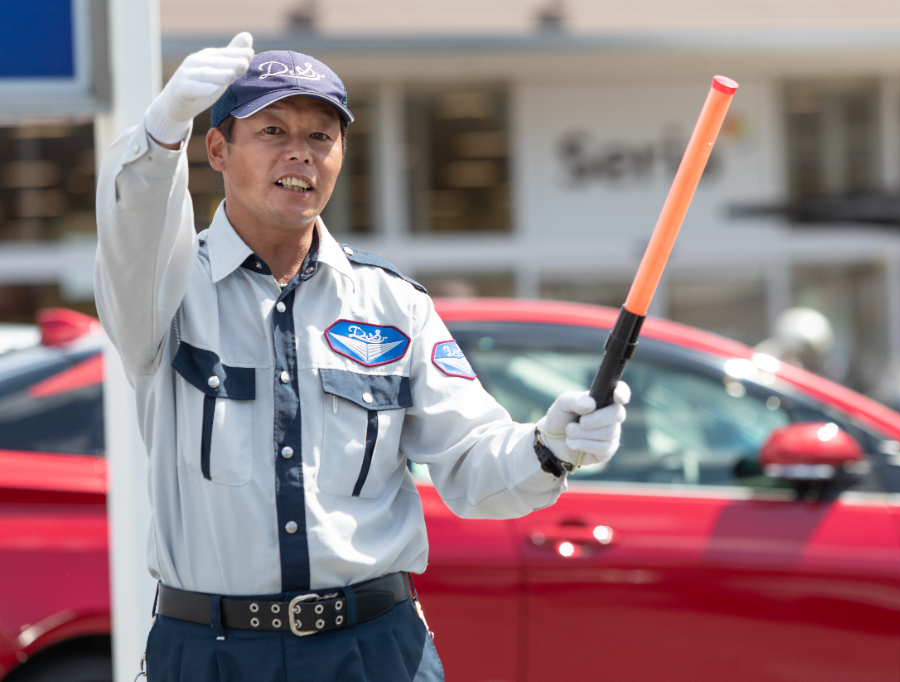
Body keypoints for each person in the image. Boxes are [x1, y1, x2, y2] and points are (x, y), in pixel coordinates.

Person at [94, 33, 629, 682]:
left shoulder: (392, 304)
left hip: (373, 652)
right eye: (272, 129)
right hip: (212, 654)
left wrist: (550, 445)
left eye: (322, 136)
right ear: (217, 149)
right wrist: (161, 132)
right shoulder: (165, 295)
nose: (301, 152)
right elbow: (131, 234)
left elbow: (469, 461)